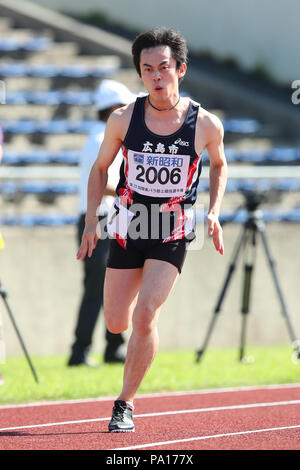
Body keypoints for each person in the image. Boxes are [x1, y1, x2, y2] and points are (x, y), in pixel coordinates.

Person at [76, 27, 227, 432]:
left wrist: (213, 211)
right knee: (115, 323)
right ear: (140, 75)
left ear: (180, 69)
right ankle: (136, 340)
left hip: (171, 230)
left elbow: (219, 164)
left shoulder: (205, 124)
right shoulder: (123, 118)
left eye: (164, 67)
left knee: (145, 315)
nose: (157, 76)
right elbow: (100, 168)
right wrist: (92, 219)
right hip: (127, 227)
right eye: (148, 69)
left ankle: (124, 403)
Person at [68, 80, 137, 366]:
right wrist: (133, 190)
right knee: (98, 287)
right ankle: (81, 350)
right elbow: (105, 183)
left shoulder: (101, 137)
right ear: (111, 110)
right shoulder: (100, 140)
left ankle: (112, 347)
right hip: (99, 222)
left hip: (108, 220)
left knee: (115, 287)